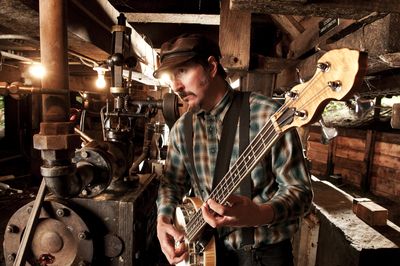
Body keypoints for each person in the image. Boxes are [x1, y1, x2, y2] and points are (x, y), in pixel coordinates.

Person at [153, 33, 313, 266]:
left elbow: (301, 192)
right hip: (205, 252)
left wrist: (260, 214)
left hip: (262, 255)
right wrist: (163, 219)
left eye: (183, 71)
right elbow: (172, 184)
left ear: (211, 66)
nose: (176, 86)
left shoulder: (268, 116)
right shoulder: (181, 129)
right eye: (172, 76)